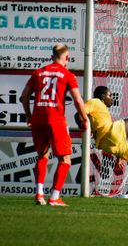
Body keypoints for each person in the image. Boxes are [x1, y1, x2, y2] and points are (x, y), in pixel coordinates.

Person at [20, 43, 89, 207]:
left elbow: (24, 96)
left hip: (38, 119)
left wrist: (29, 116)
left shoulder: (38, 72)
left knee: (42, 156)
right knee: (65, 159)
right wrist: (84, 118)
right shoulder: (67, 74)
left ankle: (39, 193)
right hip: (56, 120)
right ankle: (54, 197)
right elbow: (78, 100)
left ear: (52, 56)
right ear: (67, 57)